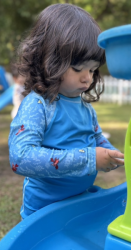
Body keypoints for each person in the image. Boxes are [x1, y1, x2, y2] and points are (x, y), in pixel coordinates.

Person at [8, 3, 124, 220]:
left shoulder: (85, 108)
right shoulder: (39, 105)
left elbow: (97, 139)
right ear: (48, 60)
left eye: (92, 69)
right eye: (79, 69)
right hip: (44, 213)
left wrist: (112, 154)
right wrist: (88, 159)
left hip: (79, 203)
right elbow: (20, 157)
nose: (87, 78)